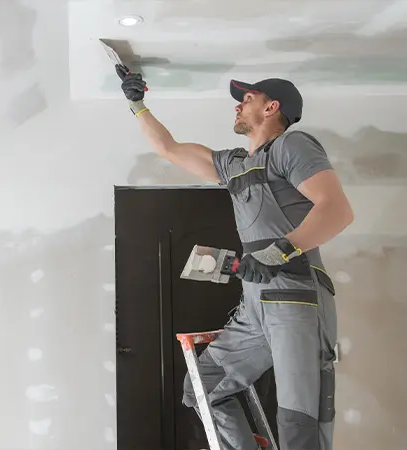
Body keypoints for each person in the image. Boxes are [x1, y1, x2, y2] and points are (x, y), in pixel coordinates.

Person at [116, 65, 354, 450]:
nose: (237, 108)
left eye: (246, 100)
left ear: (271, 107)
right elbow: (169, 149)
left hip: (295, 297)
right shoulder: (235, 165)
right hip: (256, 305)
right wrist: (138, 103)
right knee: (203, 386)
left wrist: (280, 250)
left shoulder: (291, 147)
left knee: (300, 419)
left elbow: (337, 210)